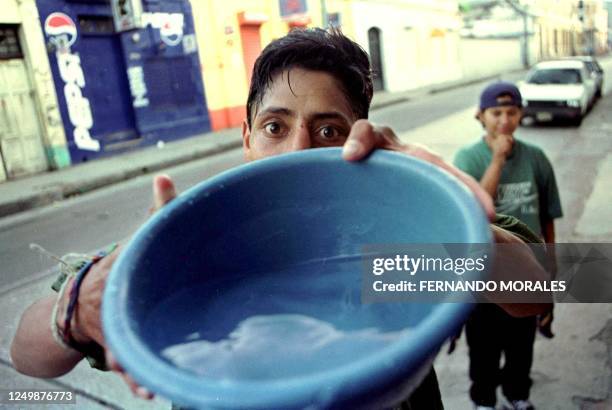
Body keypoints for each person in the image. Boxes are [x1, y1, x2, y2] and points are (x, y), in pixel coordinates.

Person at [10, 29, 550, 409]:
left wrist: (451, 215)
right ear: (246, 138)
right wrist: (79, 308)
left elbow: (532, 291)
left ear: (362, 136)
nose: (297, 149)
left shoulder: (382, 245)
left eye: (328, 129)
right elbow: (27, 356)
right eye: (275, 127)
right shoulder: (191, 246)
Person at [454, 81, 563, 410]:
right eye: (496, 112)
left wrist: (550, 265)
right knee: (484, 346)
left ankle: (517, 394)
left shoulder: (536, 158)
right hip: (484, 275)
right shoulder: (468, 158)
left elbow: (547, 215)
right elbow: (475, 209)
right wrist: (498, 159)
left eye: (511, 112)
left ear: (520, 115)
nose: (504, 119)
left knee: (521, 344)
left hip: (526, 271)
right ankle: (484, 400)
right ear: (481, 116)